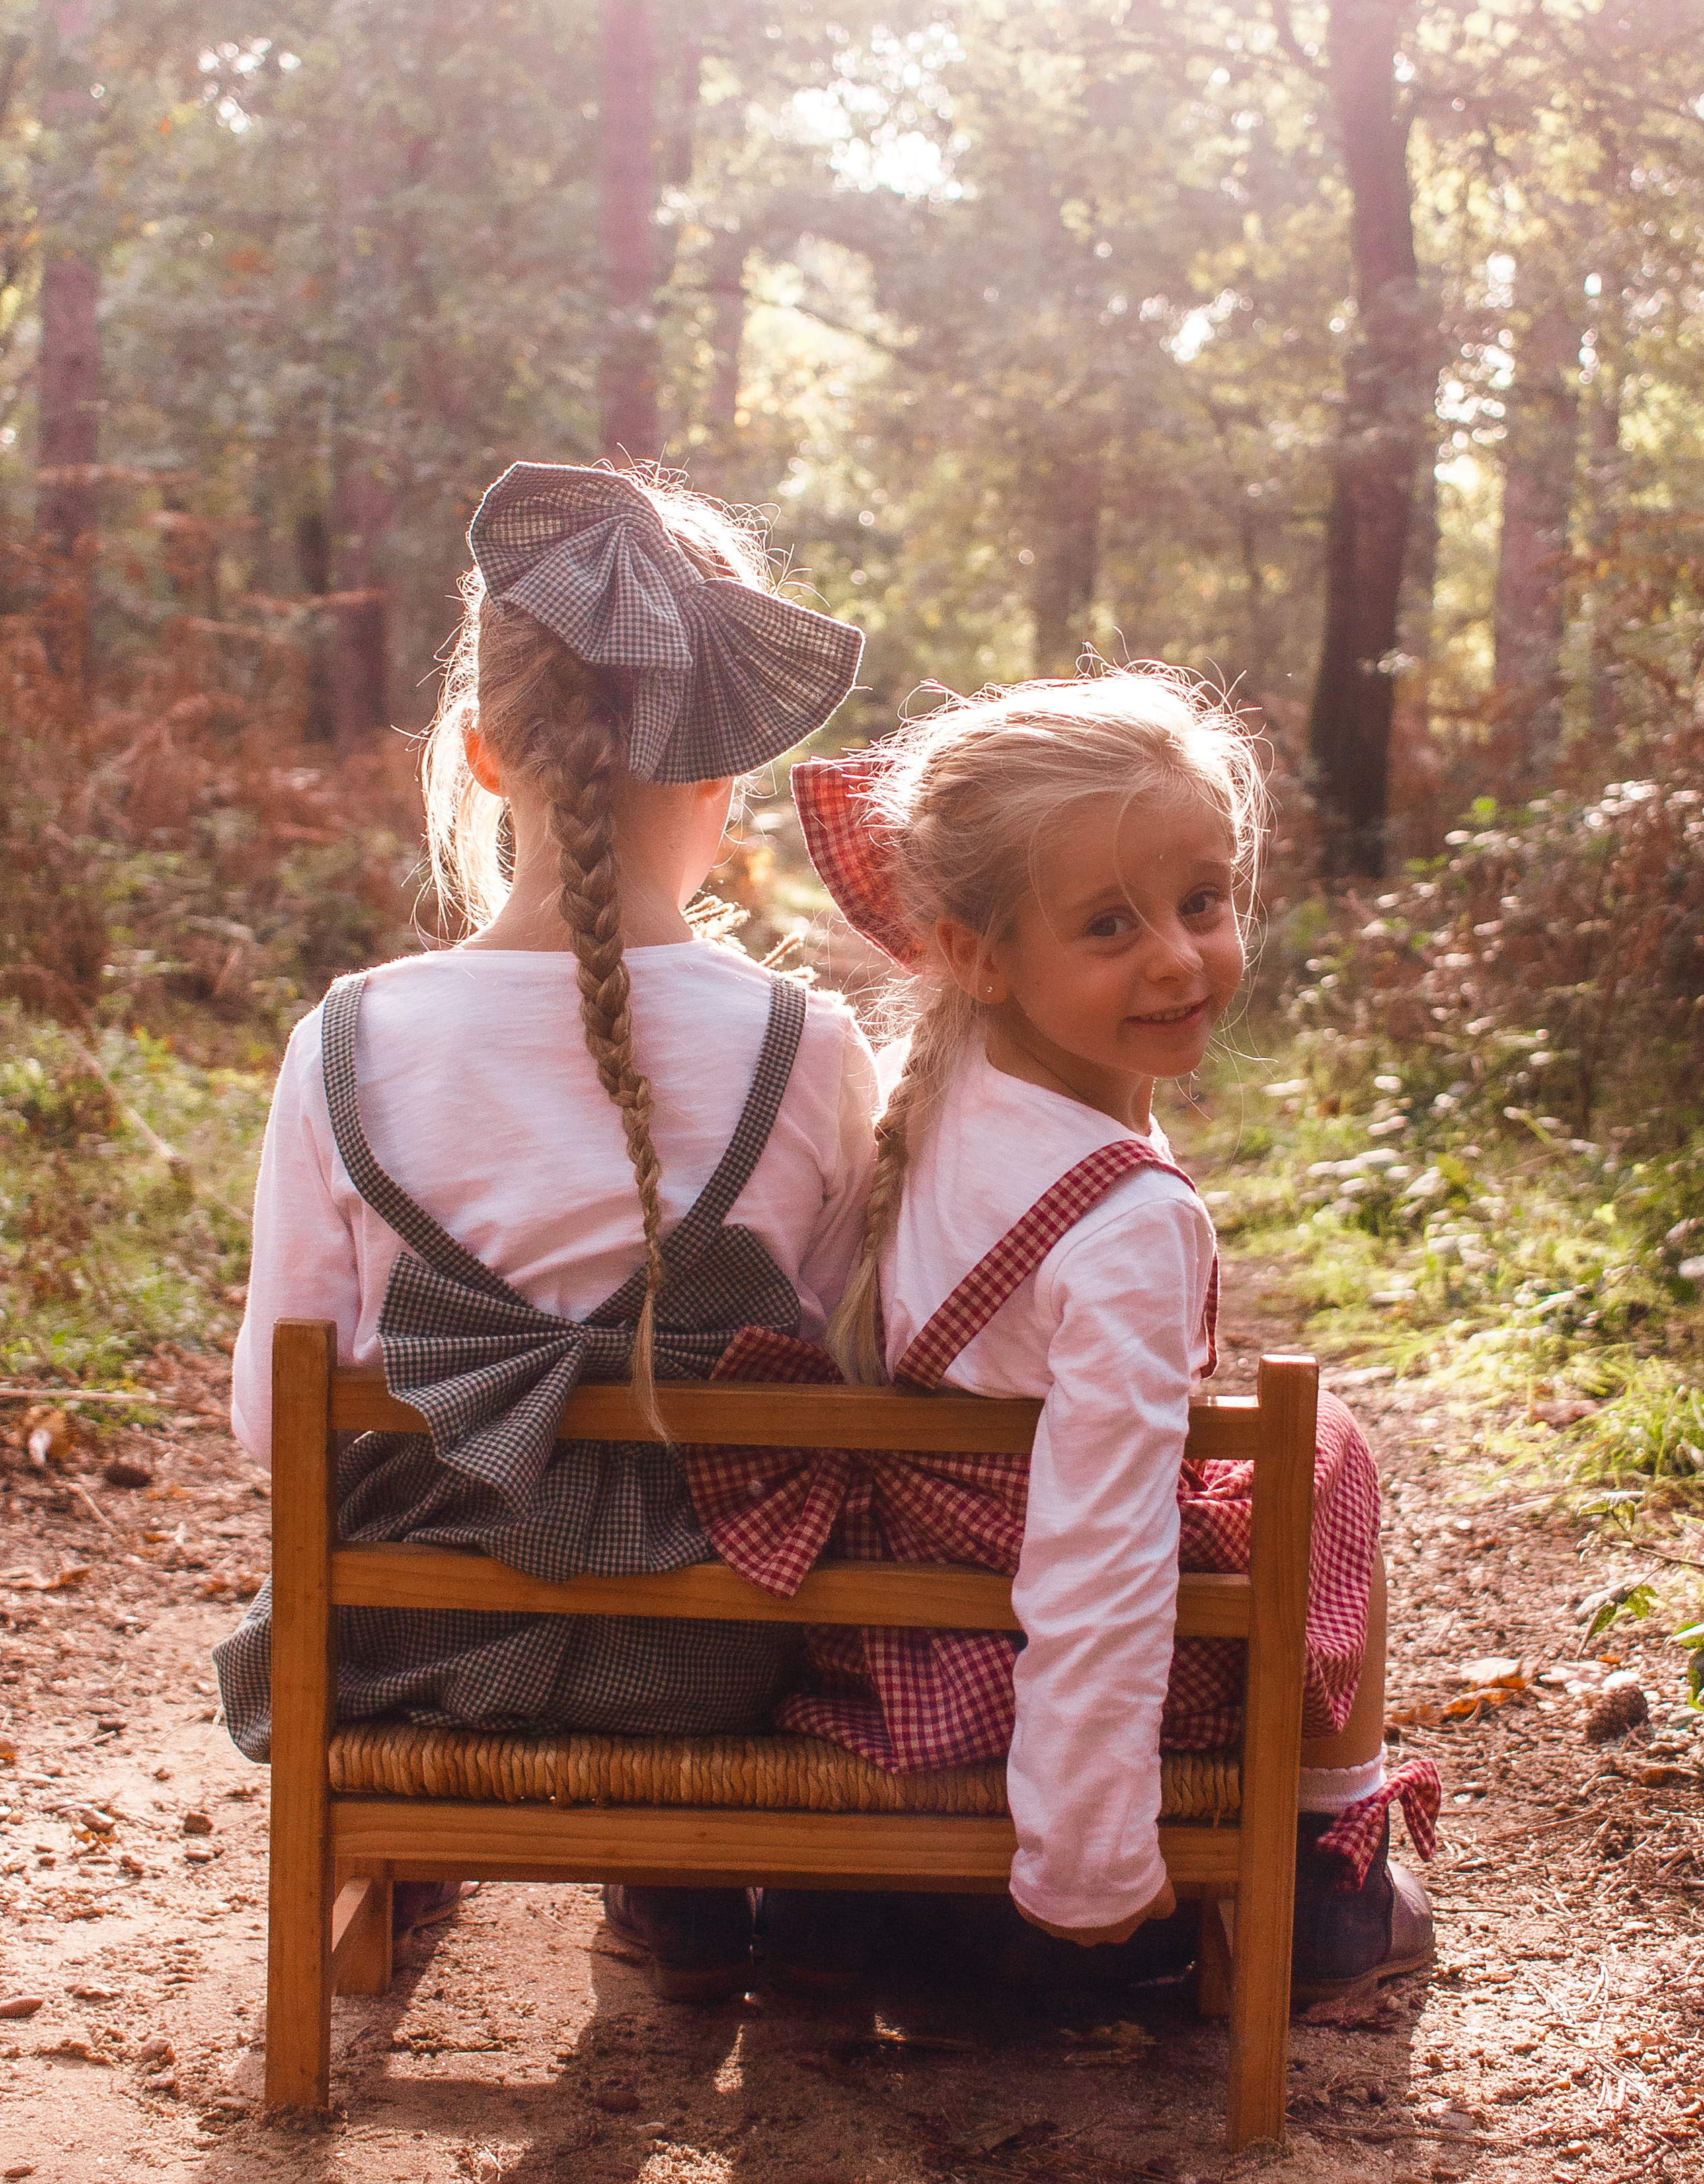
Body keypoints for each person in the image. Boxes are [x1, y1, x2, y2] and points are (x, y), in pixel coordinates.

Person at [215, 461, 877, 1998]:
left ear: (481, 756)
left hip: (408, 1662)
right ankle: (681, 1873)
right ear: (723, 778)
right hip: (719, 1667)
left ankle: (422, 1830)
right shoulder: (810, 1044)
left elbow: (272, 1423)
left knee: (427, 1527)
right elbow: (852, 1393)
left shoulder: (348, 1039)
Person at [687, 669, 1439, 1998]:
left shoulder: (944, 1096)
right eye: (1108, 924)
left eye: (1201, 901)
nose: (1175, 955)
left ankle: (850, 1909)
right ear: (979, 950)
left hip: (885, 1646)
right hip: (1009, 1673)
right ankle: (1329, 1873)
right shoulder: (1128, 1223)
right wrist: (1086, 1855)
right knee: (1325, 1452)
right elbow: (1102, 1555)